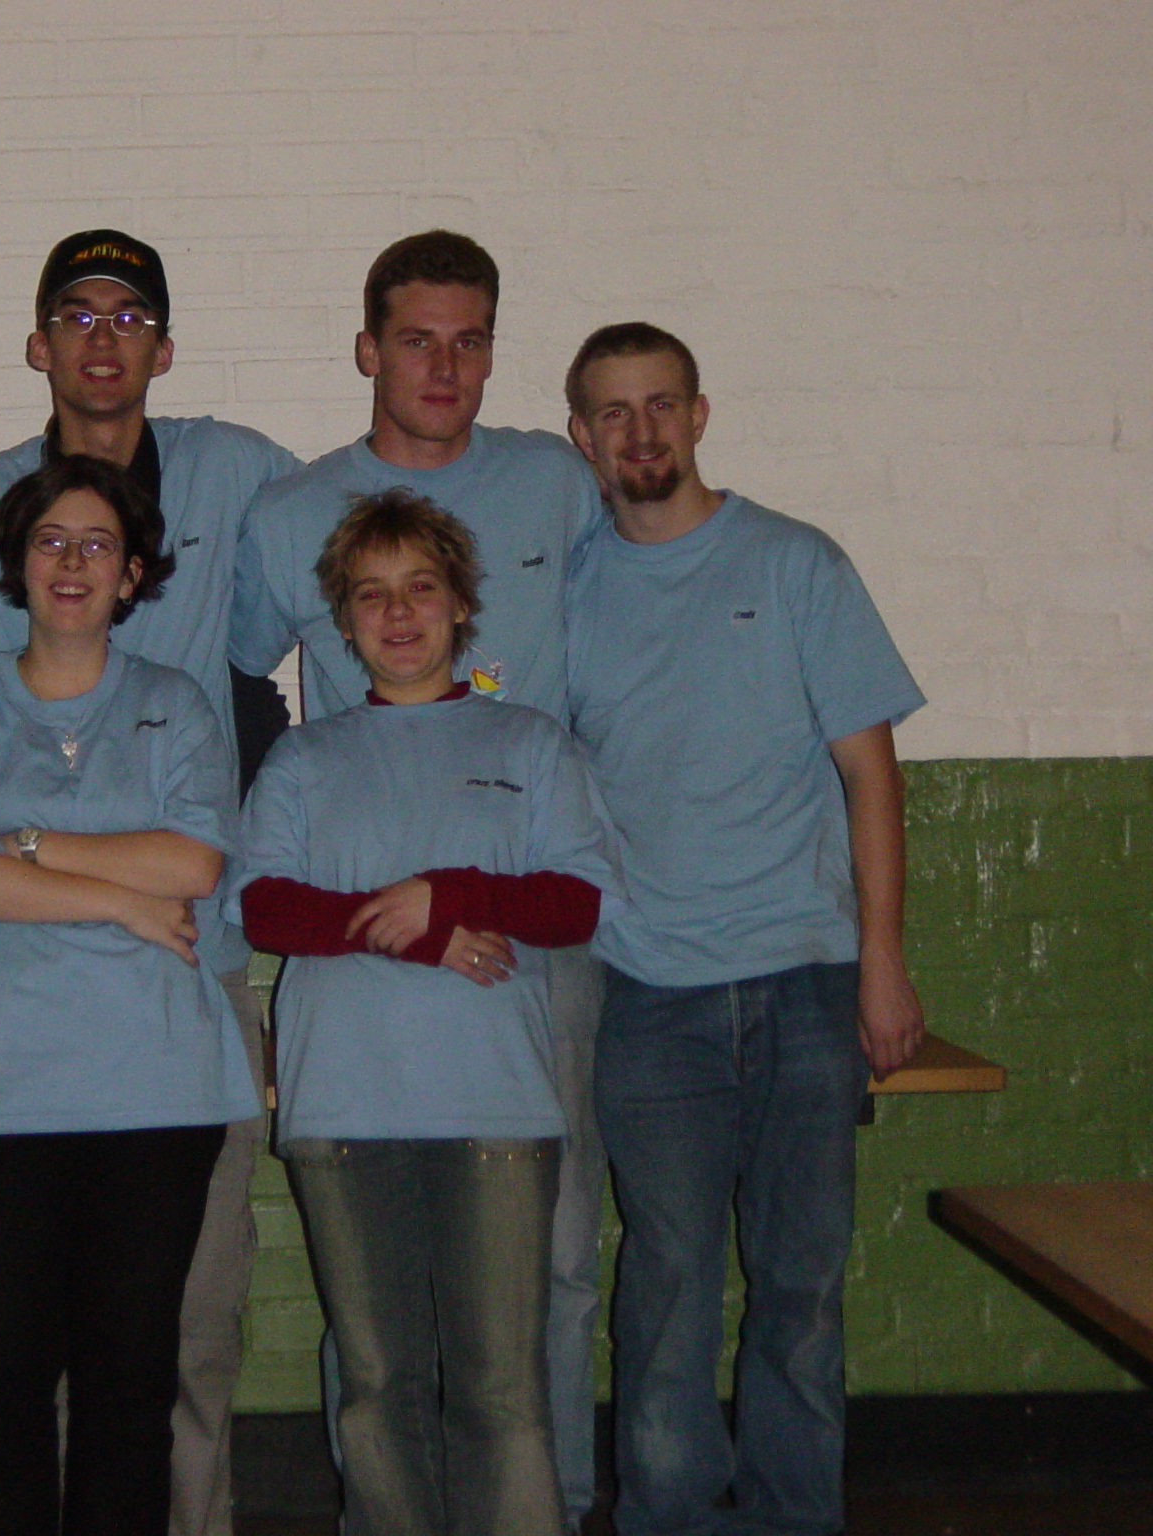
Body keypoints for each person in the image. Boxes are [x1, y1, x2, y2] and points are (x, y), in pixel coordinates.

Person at [229, 229, 612, 1530]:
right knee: (377, 1342)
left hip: (525, 954)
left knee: (554, 1267)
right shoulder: (290, 514)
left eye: (468, 341)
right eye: (415, 339)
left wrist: (461, 894)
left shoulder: (555, 484)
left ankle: (548, 1508)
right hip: (360, 993)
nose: (442, 366)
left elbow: (629, 630)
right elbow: (237, 688)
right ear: (367, 349)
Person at [0, 228, 299, 1535]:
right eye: (77, 315)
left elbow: (370, 577)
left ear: (164, 346)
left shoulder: (238, 474)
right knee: (5, 1375)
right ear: (38, 343)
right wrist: (93, 876)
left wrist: (31, 843)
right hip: (17, 1016)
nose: (103, 338)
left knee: (177, 1351)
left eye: (129, 315)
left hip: (181, 983)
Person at [563, 322, 926, 1536]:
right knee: (665, 1285)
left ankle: (792, 1517)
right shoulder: (567, 589)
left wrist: (881, 961)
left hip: (807, 982)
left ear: (699, 415)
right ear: (581, 437)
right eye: (613, 412)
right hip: (644, 989)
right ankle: (665, 1517)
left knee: (799, 1288)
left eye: (659, 404)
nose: (640, 432)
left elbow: (870, 774)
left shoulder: (793, 564)